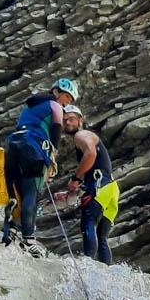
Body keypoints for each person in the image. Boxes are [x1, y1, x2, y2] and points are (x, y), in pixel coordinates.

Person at [2, 77, 79, 257]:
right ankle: (28, 239)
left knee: (16, 188)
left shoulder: (29, 106)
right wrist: (53, 152)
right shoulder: (55, 105)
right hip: (34, 147)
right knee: (31, 192)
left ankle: (11, 228)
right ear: (56, 92)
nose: (67, 102)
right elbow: (56, 127)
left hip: (14, 143)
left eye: (70, 100)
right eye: (67, 97)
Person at [61, 104, 119, 265]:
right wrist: (75, 190)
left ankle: (88, 265)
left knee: (88, 224)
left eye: (71, 119)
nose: (67, 123)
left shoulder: (82, 135)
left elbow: (91, 153)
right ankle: (105, 270)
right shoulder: (87, 137)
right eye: (64, 120)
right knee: (102, 236)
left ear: (81, 120)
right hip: (110, 188)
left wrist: (76, 178)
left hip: (100, 184)